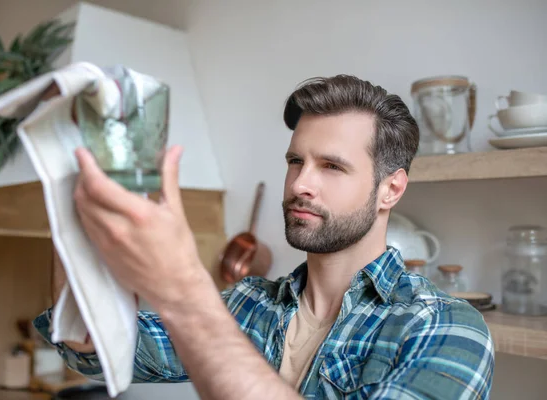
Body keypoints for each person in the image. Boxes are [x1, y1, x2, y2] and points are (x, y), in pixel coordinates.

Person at [33, 75, 494, 399]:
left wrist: (182, 289)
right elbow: (92, 347)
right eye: (296, 161)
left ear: (390, 189)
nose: (299, 184)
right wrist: (70, 204)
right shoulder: (248, 305)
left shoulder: (446, 329)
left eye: (331, 166)